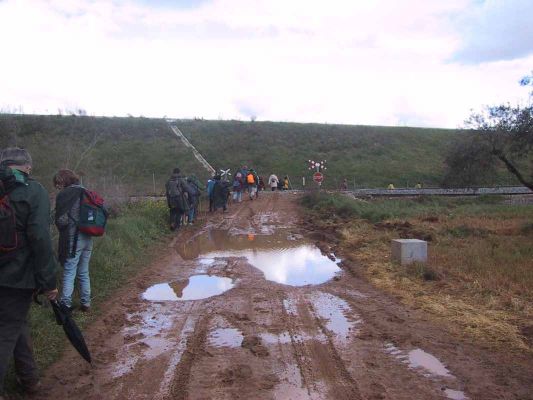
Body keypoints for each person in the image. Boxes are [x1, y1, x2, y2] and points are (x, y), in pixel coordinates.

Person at [0, 148, 58, 397]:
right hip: (15, 275)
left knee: (16, 323)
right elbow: (40, 238)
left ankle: (29, 378)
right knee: (6, 330)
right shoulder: (33, 191)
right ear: (28, 167)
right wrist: (48, 282)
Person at [53, 169, 93, 312]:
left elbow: (62, 220)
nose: (58, 186)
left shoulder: (66, 194)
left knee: (69, 271)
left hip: (73, 238)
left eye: (58, 183)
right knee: (83, 271)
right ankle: (86, 303)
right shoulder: (85, 191)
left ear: (63, 181)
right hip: (88, 236)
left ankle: (65, 305)